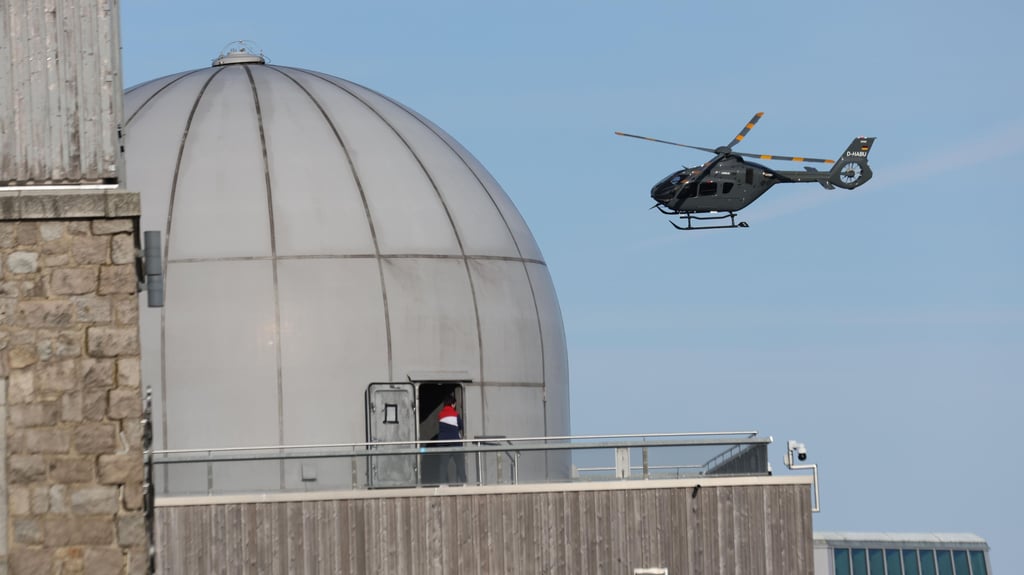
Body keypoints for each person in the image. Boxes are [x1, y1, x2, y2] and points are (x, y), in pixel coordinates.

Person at [437, 394, 466, 484]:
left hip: (443, 443)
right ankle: (464, 483)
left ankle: (442, 484)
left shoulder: (440, 415)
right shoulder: (455, 414)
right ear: (453, 404)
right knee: (460, 464)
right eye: (455, 404)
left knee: (443, 465)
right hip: (455, 443)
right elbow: (461, 426)